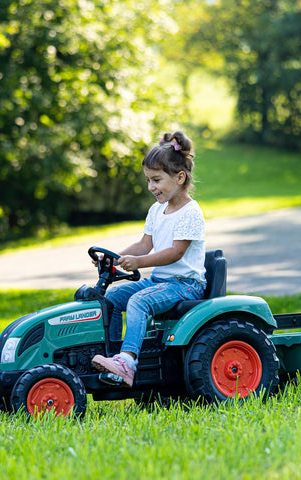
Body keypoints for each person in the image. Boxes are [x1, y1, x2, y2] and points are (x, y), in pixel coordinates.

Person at [92, 130, 206, 387]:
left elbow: (176, 252)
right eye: (148, 180)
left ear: (179, 177)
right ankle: (114, 358)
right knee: (111, 298)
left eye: (156, 180)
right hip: (159, 281)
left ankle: (128, 362)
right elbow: (145, 244)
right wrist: (115, 257)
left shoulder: (191, 212)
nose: (151, 187)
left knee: (139, 301)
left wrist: (139, 262)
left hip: (185, 284)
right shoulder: (157, 210)